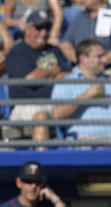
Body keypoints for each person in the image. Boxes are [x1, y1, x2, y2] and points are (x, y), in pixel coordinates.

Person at [5, 10, 70, 146]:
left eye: (47, 28)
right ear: (28, 29)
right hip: (27, 105)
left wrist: (45, 73)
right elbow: (31, 79)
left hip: (55, 103)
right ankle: (41, 164)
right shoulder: (18, 51)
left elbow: (67, 76)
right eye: (39, 28)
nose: (44, 32)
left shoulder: (54, 50)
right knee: (42, 117)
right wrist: (54, 71)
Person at [52, 39, 111, 141]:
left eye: (104, 55)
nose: (105, 60)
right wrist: (85, 96)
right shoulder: (66, 82)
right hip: (81, 141)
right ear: (83, 59)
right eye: (99, 56)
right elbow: (56, 115)